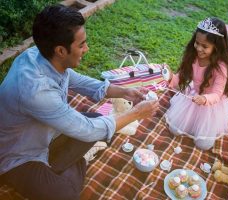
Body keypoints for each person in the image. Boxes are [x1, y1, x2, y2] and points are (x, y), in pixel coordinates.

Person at [0, 5, 159, 200]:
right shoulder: (36, 90)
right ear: (60, 50)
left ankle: (58, 164)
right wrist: (135, 114)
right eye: (82, 44)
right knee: (66, 194)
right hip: (18, 155)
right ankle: (73, 163)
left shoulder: (38, 54)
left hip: (46, 136)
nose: (87, 49)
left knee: (95, 119)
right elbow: (87, 129)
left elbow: (78, 81)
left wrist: (125, 92)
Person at [165, 17, 228, 150]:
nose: (199, 48)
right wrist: (170, 77)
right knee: (174, 129)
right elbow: (181, 77)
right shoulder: (193, 56)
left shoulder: (221, 67)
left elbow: (217, 94)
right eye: (197, 43)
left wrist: (204, 99)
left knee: (203, 145)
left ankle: (202, 127)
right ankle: (191, 122)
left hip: (211, 103)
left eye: (205, 46)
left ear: (217, 47)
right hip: (194, 95)